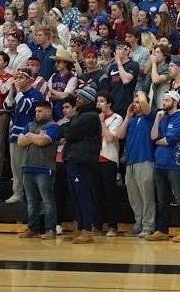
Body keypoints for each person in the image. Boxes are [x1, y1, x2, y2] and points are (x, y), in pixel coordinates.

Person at [146, 90, 180, 243]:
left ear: (175, 102)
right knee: (162, 199)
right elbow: (153, 136)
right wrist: (157, 120)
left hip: (175, 164)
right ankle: (162, 230)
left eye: (167, 100)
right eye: (163, 100)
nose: (163, 102)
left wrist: (158, 140)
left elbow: (170, 140)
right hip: (160, 164)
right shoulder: (163, 118)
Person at [62, 85, 102, 244]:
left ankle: (87, 229)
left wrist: (66, 130)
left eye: (79, 98)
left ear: (87, 99)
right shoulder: (80, 116)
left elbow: (69, 132)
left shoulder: (90, 116)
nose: (76, 100)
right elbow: (69, 129)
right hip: (74, 159)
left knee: (83, 195)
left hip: (82, 160)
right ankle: (80, 227)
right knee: (76, 195)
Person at [17, 100, 61, 239]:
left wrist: (29, 136)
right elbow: (19, 142)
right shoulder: (30, 124)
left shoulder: (54, 126)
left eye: (40, 111)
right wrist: (35, 137)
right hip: (28, 167)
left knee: (47, 200)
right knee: (31, 201)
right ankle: (33, 228)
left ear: (49, 111)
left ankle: (50, 229)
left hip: (45, 168)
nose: (37, 113)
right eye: (36, 111)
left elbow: (43, 141)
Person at [116, 90, 156, 238]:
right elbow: (119, 135)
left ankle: (148, 225)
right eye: (134, 101)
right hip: (130, 162)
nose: (135, 103)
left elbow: (145, 104)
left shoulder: (150, 116)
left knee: (147, 197)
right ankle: (138, 224)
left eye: (138, 101)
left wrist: (140, 92)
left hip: (145, 160)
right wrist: (127, 116)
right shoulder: (131, 120)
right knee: (134, 197)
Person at [4, 69, 45, 203]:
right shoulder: (17, 93)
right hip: (15, 134)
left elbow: (24, 107)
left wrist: (18, 93)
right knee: (15, 167)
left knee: (26, 167)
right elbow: (7, 107)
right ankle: (17, 193)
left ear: (29, 80)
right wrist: (11, 91)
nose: (18, 80)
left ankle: (30, 196)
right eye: (17, 77)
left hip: (29, 135)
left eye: (21, 77)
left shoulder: (36, 94)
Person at [94, 91, 122, 237]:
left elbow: (110, 137)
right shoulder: (95, 118)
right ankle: (97, 225)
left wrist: (101, 122)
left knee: (110, 194)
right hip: (95, 159)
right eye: (98, 101)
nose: (99, 104)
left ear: (109, 103)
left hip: (109, 158)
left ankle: (112, 226)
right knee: (97, 194)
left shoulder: (117, 118)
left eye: (102, 101)